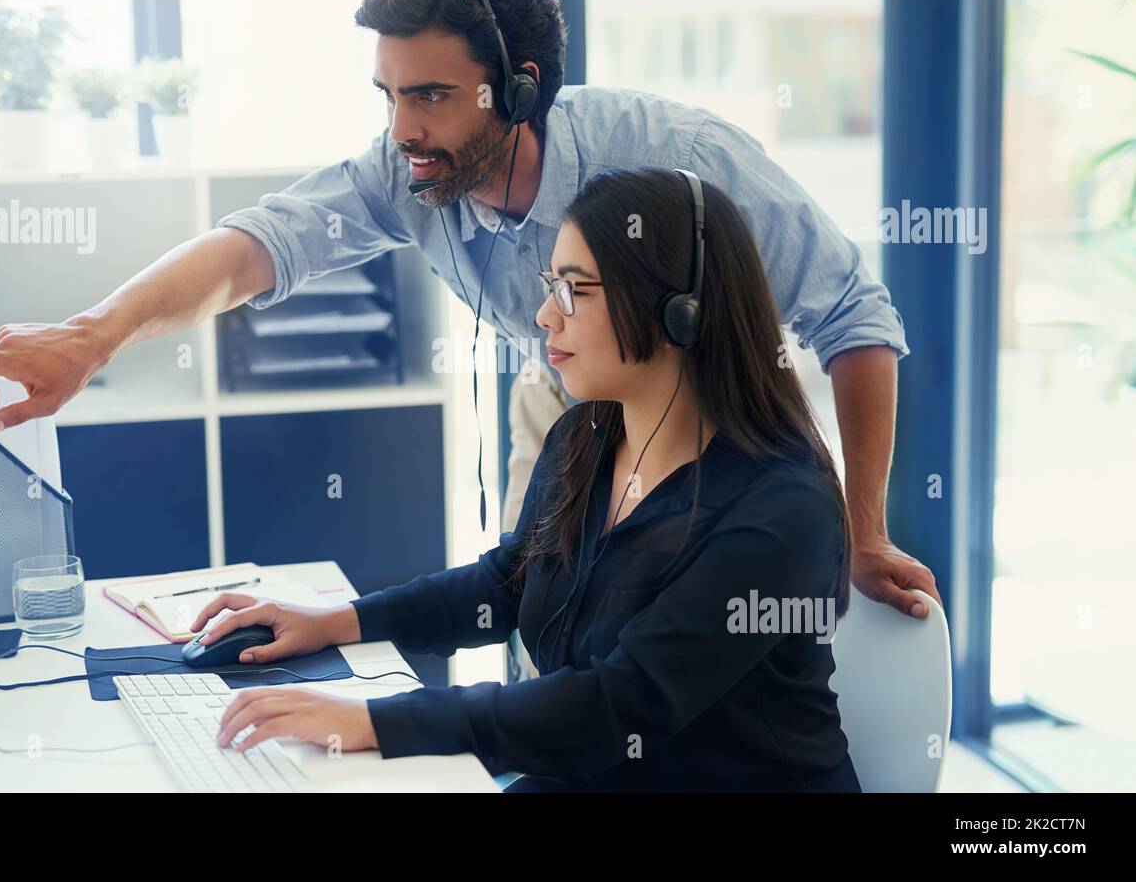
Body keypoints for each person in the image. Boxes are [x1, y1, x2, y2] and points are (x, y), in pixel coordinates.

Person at [0, 0, 939, 620]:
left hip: (713, 416)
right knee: (548, 625)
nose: (402, 126)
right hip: (570, 399)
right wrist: (95, 335)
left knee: (660, 687)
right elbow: (253, 249)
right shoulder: (405, 172)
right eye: (388, 94)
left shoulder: (670, 155)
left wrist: (863, 529)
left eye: (430, 96)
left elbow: (855, 314)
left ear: (524, 87)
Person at [185, 167, 862, 792]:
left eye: (575, 290)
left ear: (675, 312)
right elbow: (507, 581)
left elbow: (618, 703)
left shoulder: (781, 508)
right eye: (549, 286)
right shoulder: (589, 436)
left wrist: (374, 722)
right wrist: (332, 622)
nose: (546, 315)